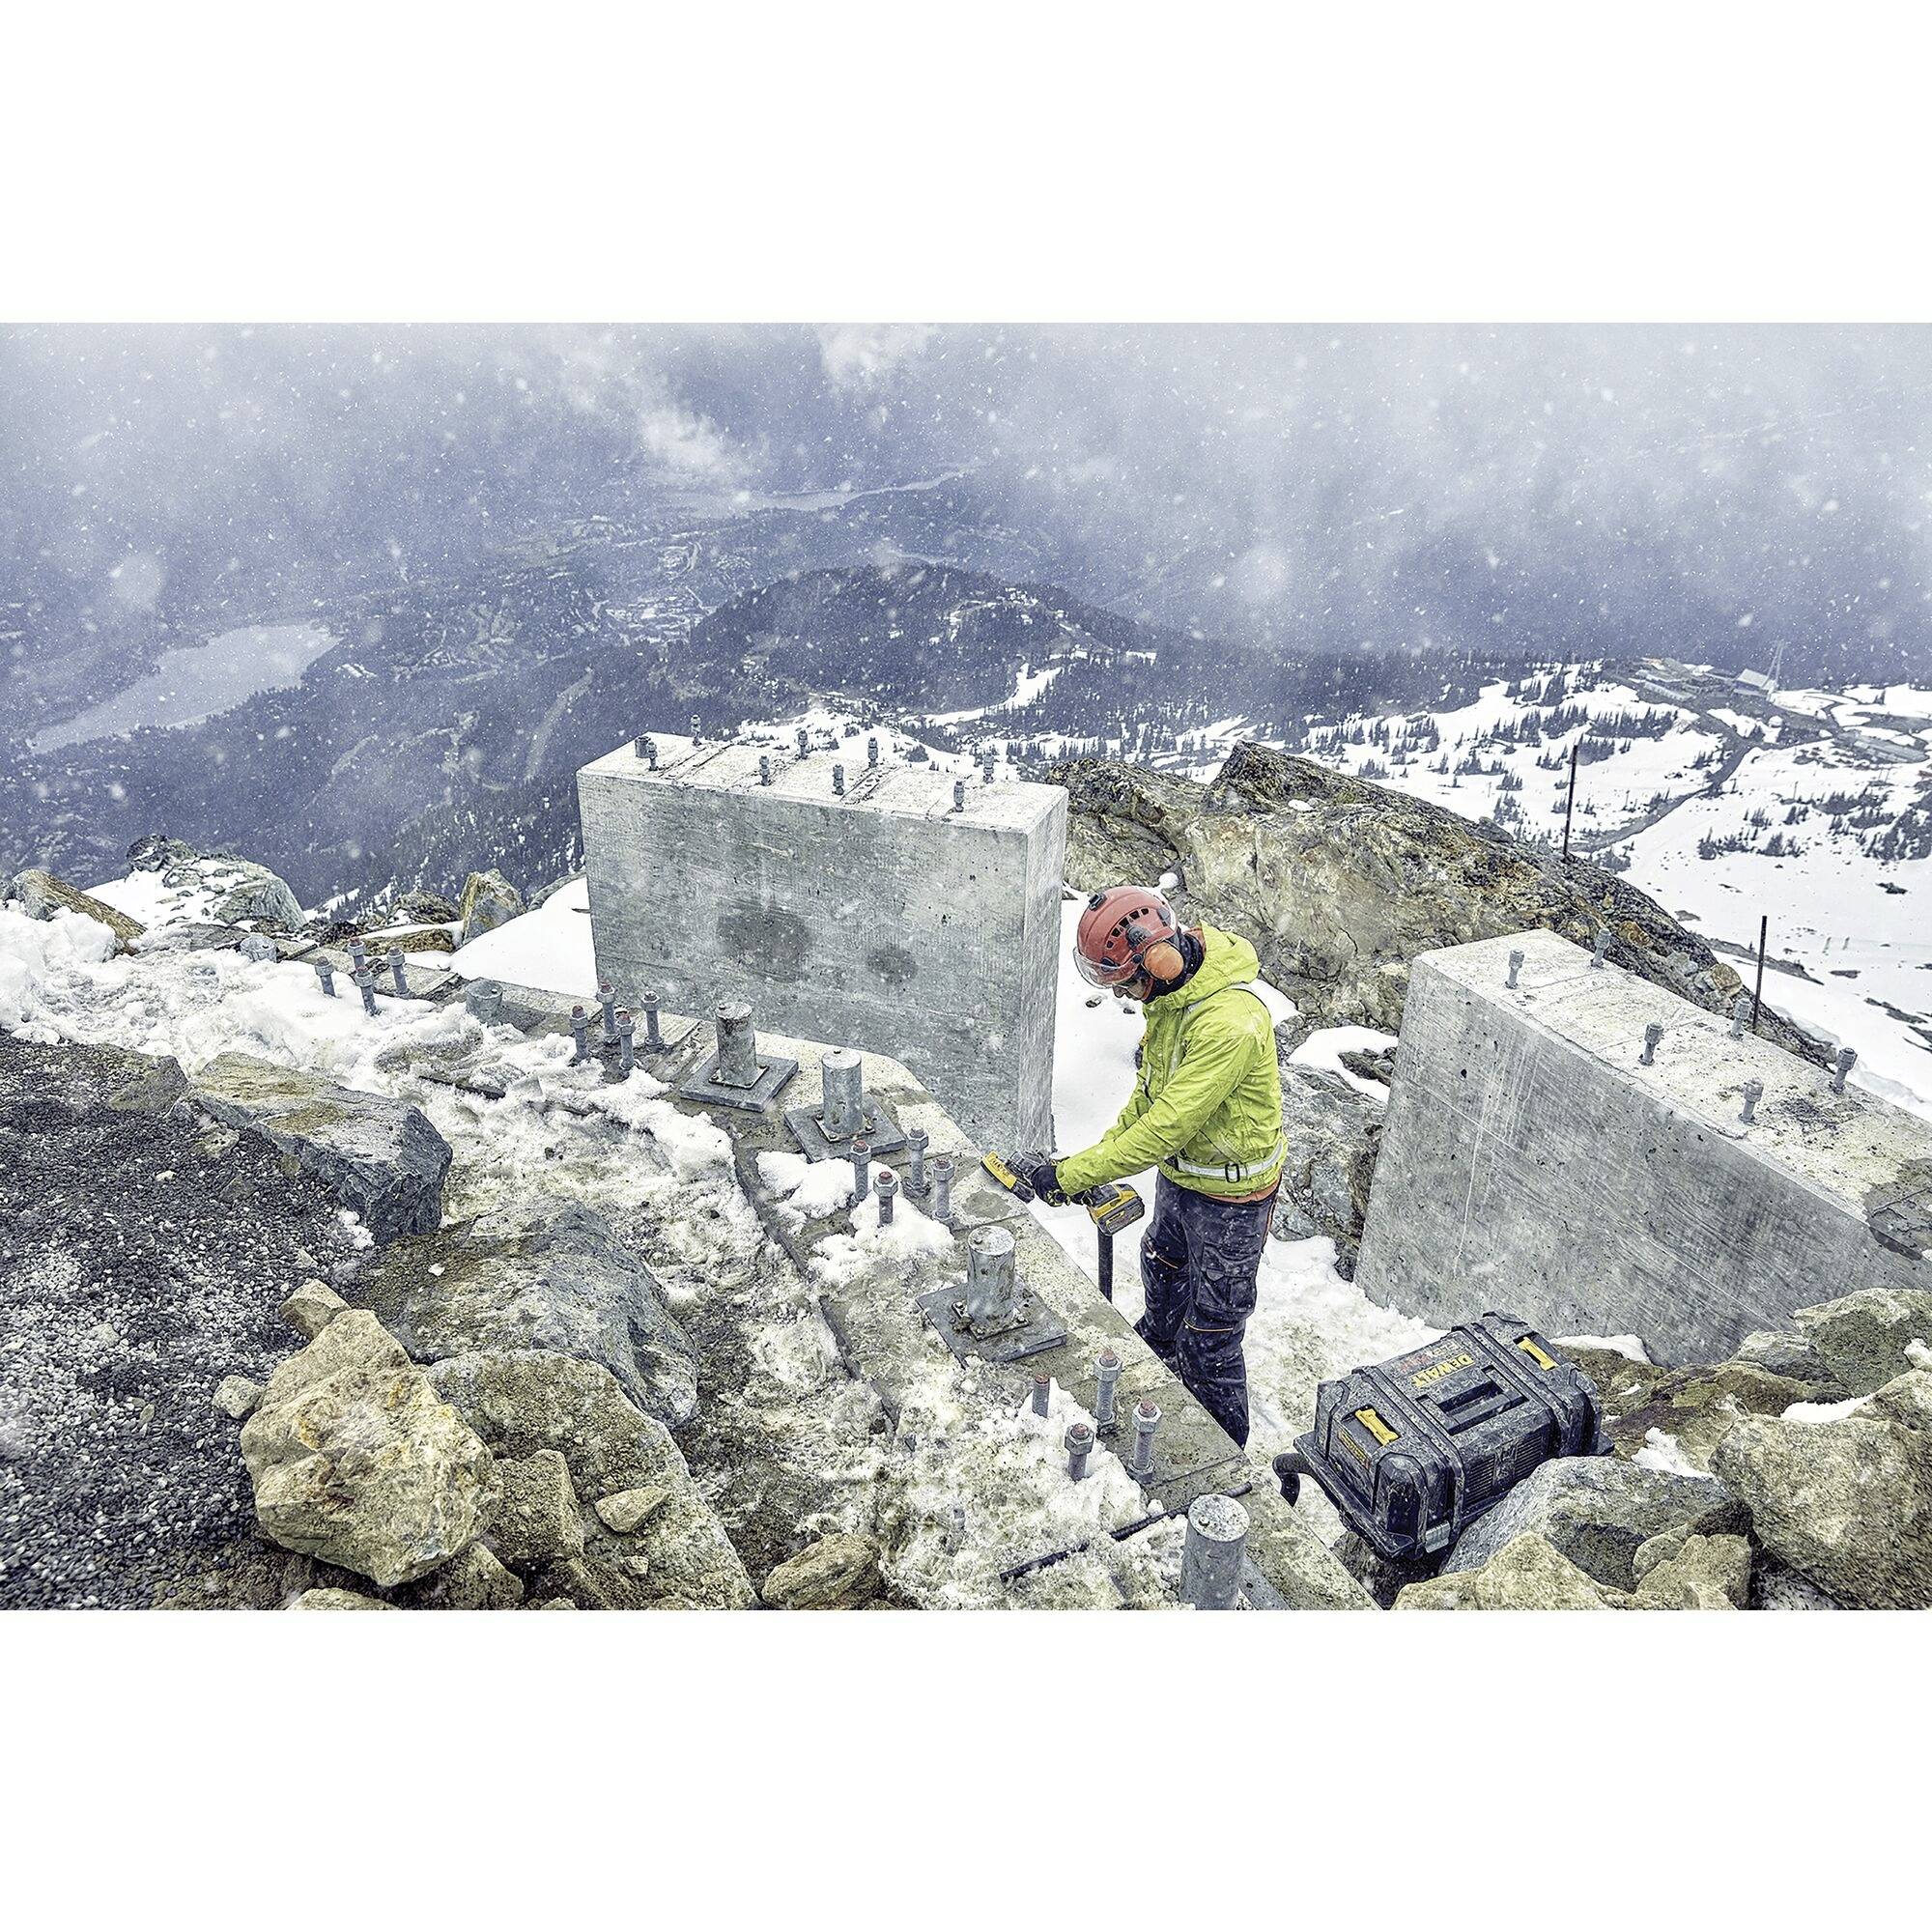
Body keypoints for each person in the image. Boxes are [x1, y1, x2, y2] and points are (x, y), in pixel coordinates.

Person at [1021, 886, 1285, 1447]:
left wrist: (1071, 1177)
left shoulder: (1228, 1023)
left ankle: (1222, 1458)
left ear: (1157, 961)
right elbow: (1146, 1101)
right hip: (1184, 1177)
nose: (1126, 995)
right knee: (1162, 1268)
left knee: (1211, 1333)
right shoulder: (1171, 999)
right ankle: (1154, 1376)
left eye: (1128, 981)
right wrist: (1086, 1162)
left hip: (1231, 1200)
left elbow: (1167, 1124)